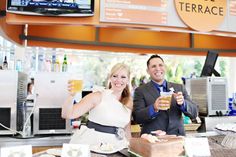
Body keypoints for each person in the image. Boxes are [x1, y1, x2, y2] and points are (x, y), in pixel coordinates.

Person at [61, 63, 133, 152]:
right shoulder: (97, 96)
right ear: (110, 78)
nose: (118, 80)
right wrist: (71, 96)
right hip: (91, 144)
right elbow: (67, 114)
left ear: (128, 80)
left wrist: (131, 149)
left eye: (123, 77)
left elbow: (127, 130)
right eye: (115, 76)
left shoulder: (129, 102)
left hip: (117, 147)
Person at [132, 54, 198, 136]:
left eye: (160, 65)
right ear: (148, 71)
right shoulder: (140, 91)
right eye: (153, 66)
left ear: (165, 68)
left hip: (177, 138)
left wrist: (183, 103)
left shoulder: (179, 87)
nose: (158, 69)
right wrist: (154, 108)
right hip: (153, 139)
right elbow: (137, 117)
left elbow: (195, 112)